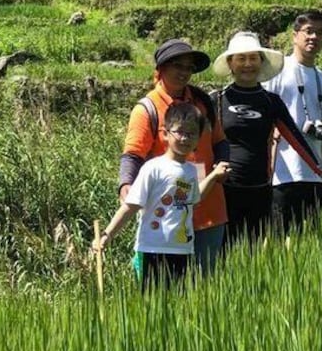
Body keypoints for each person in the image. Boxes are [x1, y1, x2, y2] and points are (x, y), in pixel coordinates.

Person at [211, 32, 322, 246]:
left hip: (260, 189)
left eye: (253, 58)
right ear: (230, 63)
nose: (247, 64)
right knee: (222, 253)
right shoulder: (216, 99)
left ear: (261, 62)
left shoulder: (270, 101)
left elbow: (295, 138)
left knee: (253, 253)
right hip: (224, 190)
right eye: (241, 59)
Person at [119, 39, 228, 276]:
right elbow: (133, 153)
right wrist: (126, 184)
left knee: (205, 286)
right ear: (161, 69)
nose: (184, 72)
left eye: (188, 67)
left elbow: (220, 141)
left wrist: (221, 167)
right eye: (177, 66)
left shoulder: (203, 103)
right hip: (169, 217)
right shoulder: (147, 108)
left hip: (209, 209)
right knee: (166, 290)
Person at [98, 103, 230, 292]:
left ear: (199, 138)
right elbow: (131, 205)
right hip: (152, 249)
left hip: (182, 250)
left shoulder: (190, 171)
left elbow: (193, 199)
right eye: (179, 132)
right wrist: (107, 235)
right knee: (151, 305)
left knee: (176, 305)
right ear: (165, 134)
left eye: (192, 133)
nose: (185, 138)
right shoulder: (153, 168)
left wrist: (213, 176)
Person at [263, 12, 322, 234]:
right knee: (277, 239)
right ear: (295, 36)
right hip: (282, 173)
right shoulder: (276, 71)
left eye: (320, 32)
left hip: (313, 174)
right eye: (309, 31)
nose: (314, 37)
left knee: (308, 242)